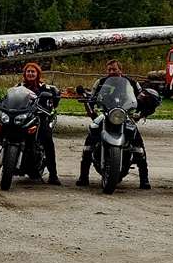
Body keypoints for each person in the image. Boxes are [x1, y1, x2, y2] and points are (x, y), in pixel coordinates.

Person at [77, 59, 157, 188]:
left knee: (138, 144)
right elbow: (92, 97)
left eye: (114, 69)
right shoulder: (101, 82)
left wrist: (143, 108)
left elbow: (141, 96)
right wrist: (89, 102)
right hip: (106, 113)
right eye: (109, 69)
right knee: (91, 135)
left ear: (120, 70)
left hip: (125, 114)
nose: (112, 71)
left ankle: (144, 178)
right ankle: (83, 176)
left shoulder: (131, 83)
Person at [21, 62, 62, 185]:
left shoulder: (46, 88)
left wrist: (53, 100)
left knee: (47, 140)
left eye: (33, 71)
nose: (30, 73)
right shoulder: (19, 87)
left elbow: (55, 100)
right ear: (24, 73)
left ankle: (53, 175)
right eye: (28, 71)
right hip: (23, 118)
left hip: (40, 118)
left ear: (38, 74)